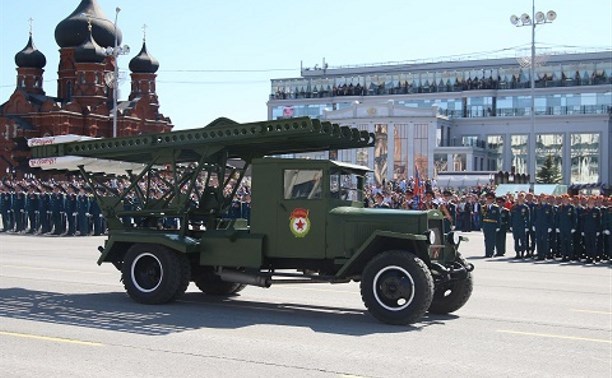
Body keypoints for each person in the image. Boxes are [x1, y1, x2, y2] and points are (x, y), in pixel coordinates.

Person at [580, 196, 602, 264]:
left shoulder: (597, 210)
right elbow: (582, 221)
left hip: (594, 230)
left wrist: (598, 230)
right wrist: (582, 230)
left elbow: (599, 221)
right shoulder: (584, 210)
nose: (591, 202)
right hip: (586, 229)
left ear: (594, 202)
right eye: (589, 201)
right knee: (587, 244)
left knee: (593, 244)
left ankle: (594, 257)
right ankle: (588, 257)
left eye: (592, 201)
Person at [555, 194, 577, 262]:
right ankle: (564, 256)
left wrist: (574, 227)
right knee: (562, 242)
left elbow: (574, 218)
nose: (565, 200)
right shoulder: (560, 207)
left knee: (569, 242)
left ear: (568, 199)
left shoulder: (571, 207)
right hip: (562, 227)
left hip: (569, 228)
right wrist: (557, 227)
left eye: (566, 199)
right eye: (563, 199)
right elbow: (557, 218)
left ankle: (570, 256)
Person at [533, 194, 554, 260]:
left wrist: (550, 226)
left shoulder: (549, 206)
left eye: (544, 197)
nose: (542, 198)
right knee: (538, 240)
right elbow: (534, 216)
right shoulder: (537, 206)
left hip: (546, 226)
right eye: (541, 197)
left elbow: (551, 217)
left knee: (545, 240)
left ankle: (545, 254)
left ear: (546, 198)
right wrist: (533, 225)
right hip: (538, 225)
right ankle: (539, 254)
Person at [510, 192, 530, 259]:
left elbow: (528, 217)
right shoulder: (514, 207)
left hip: (522, 225)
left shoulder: (525, 207)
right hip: (515, 225)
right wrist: (511, 225)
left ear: (524, 198)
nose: (520, 198)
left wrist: (527, 226)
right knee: (516, 240)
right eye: (519, 196)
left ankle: (522, 253)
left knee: (522, 240)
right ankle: (517, 253)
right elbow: (511, 217)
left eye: (521, 196)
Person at [481, 192, 501, 257]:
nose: (489, 200)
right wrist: (481, 226)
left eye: (490, 198)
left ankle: (491, 252)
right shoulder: (483, 207)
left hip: (493, 224)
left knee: (492, 239)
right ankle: (487, 253)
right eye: (488, 198)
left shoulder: (496, 207)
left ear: (493, 199)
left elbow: (498, 217)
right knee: (486, 239)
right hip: (486, 224)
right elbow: (481, 217)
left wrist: (498, 226)